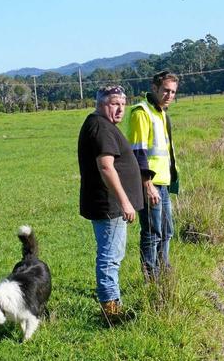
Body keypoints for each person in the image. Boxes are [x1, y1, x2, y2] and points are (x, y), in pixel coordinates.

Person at [77, 85, 143, 321]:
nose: (120, 109)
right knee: (110, 256)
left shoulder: (101, 125)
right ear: (100, 103)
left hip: (109, 203)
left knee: (112, 254)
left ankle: (112, 303)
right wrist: (125, 201)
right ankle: (111, 311)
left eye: (123, 104)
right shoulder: (101, 127)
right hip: (109, 204)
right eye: (114, 103)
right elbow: (106, 166)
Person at [127, 71, 179, 281]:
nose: (169, 95)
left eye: (173, 92)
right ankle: (151, 279)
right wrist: (147, 185)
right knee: (151, 233)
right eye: (165, 90)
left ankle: (164, 272)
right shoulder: (142, 112)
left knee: (167, 231)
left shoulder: (161, 113)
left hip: (163, 182)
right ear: (154, 88)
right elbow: (137, 152)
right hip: (150, 183)